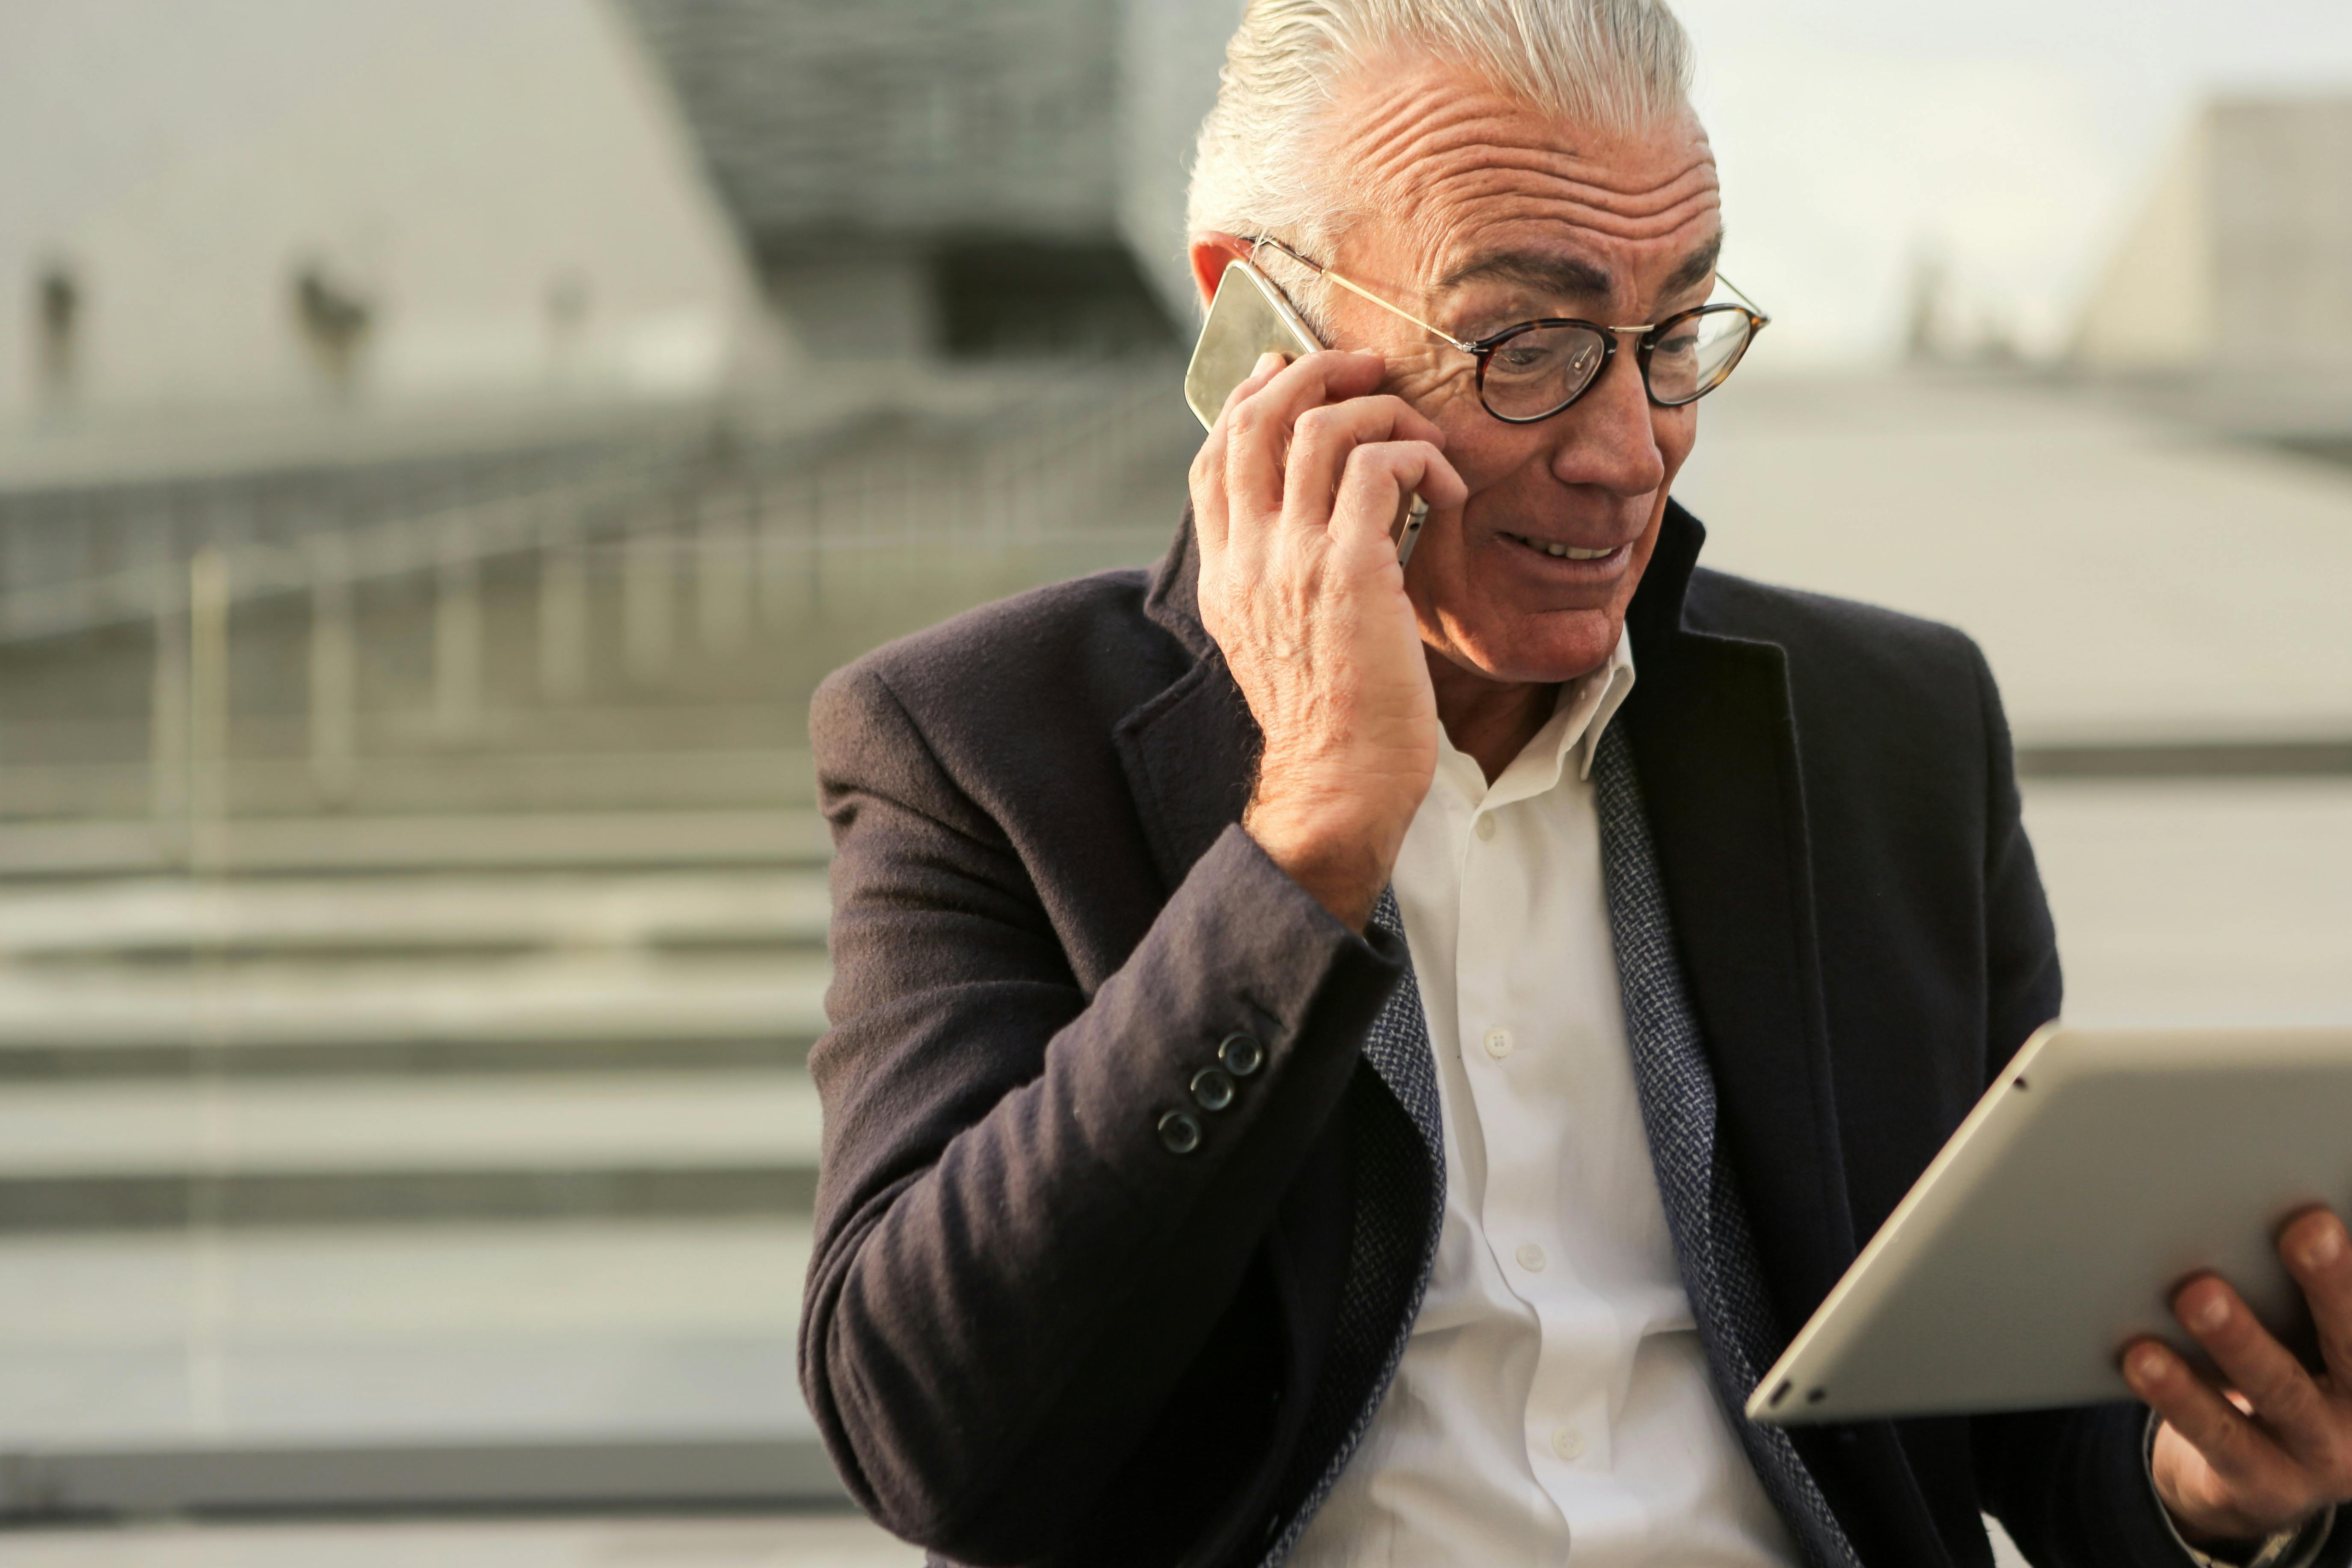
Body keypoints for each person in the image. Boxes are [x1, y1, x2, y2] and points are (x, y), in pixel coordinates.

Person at [798, 2, 2352, 1563]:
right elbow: (930, 1431)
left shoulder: (1894, 728)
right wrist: (1305, 848)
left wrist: (2211, 1477)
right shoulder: (979, 745)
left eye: (1671, 336)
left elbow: (2029, 1398)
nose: (1632, 446)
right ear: (1260, 321)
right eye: (1525, 345)